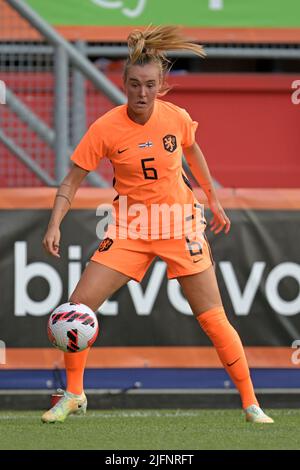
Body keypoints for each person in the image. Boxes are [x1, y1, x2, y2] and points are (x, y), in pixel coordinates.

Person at [41, 25, 273, 424]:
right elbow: (70, 181)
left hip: (179, 226)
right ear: (124, 84)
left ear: (161, 84)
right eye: (134, 84)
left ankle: (251, 403)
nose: (142, 93)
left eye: (149, 84)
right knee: (76, 309)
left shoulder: (177, 118)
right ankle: (74, 395)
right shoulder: (105, 128)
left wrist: (213, 199)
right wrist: (54, 223)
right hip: (130, 230)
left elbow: (193, 152)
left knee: (215, 320)